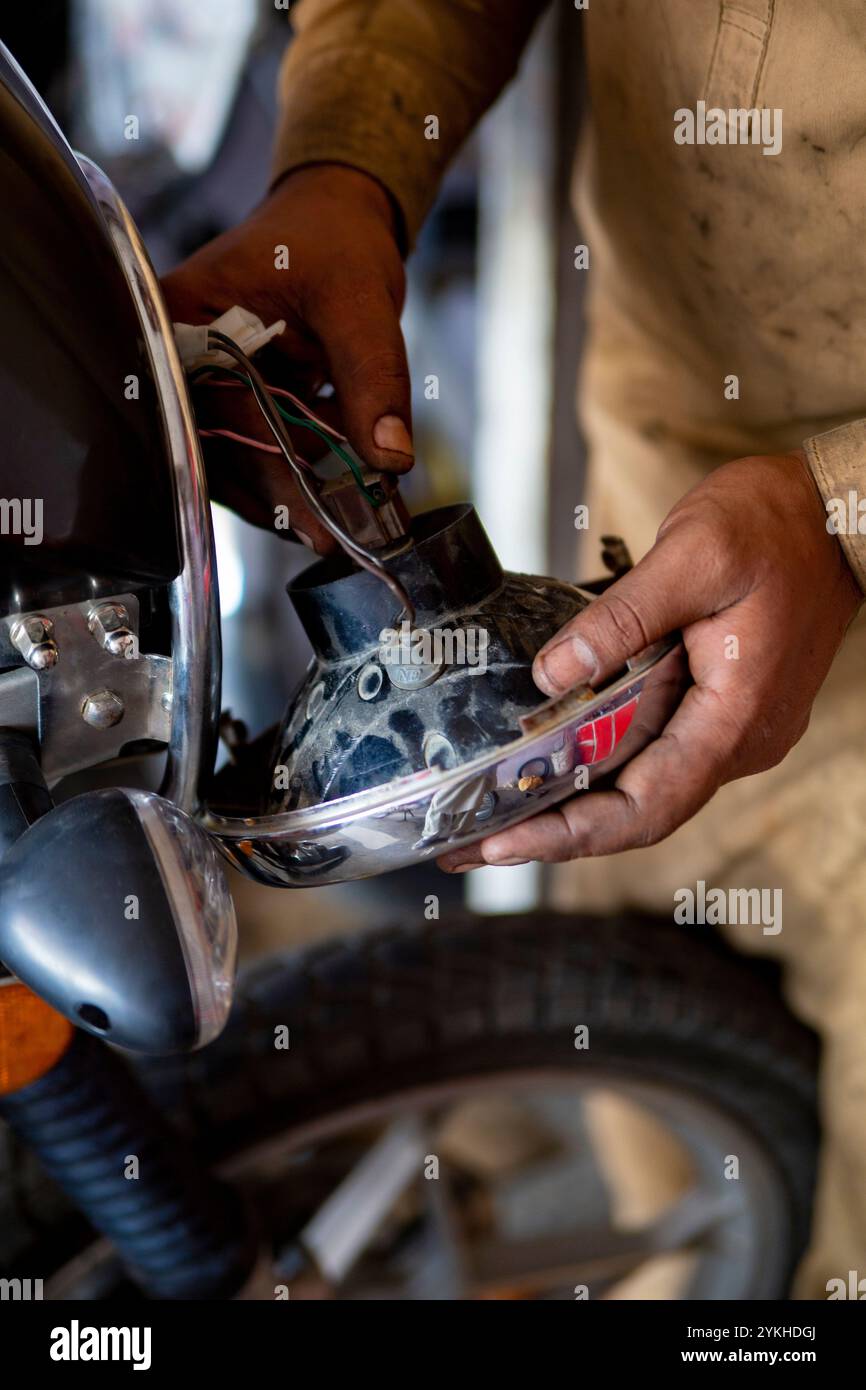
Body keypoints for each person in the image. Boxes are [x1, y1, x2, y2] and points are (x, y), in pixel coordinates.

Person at [163, 1, 866, 1297]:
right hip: (678, 499)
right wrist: (346, 164)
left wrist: (841, 511)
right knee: (669, 1152)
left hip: (811, 521)